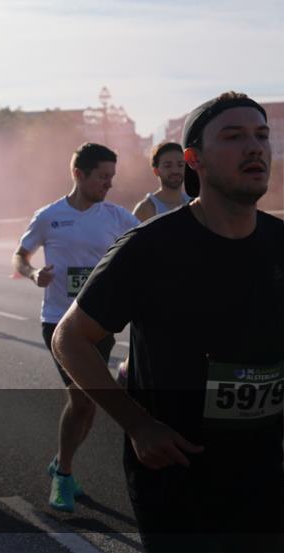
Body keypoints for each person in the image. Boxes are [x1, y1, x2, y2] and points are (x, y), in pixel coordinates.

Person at [53, 91, 284, 552]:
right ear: (196, 160)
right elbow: (70, 338)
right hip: (174, 476)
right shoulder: (149, 248)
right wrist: (137, 425)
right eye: (233, 137)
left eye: (262, 136)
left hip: (260, 473)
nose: (254, 147)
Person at [13, 143, 138, 512]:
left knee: (89, 403)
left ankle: (59, 462)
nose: (109, 184)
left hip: (99, 322)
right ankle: (63, 474)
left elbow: (150, 244)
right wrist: (33, 272)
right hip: (58, 322)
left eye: (112, 177)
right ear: (79, 174)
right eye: (102, 177)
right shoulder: (49, 216)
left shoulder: (117, 217)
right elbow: (21, 255)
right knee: (82, 398)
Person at [114, 142, 193, 386]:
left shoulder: (195, 204)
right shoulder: (147, 208)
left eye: (180, 164)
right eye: (168, 165)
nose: (175, 170)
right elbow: (129, 256)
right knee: (151, 359)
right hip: (154, 296)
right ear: (156, 170)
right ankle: (127, 373)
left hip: (190, 292)